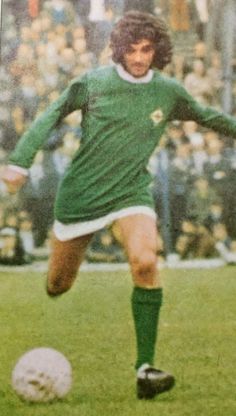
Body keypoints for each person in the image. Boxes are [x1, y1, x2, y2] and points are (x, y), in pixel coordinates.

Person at [2, 11, 236, 400]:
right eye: (132, 49)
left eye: (147, 49)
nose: (140, 57)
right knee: (57, 286)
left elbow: (208, 115)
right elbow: (51, 113)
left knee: (146, 262)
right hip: (82, 195)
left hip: (131, 192)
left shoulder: (167, 91)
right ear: (119, 49)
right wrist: (19, 161)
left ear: (157, 51)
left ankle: (145, 369)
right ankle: (58, 275)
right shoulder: (93, 83)